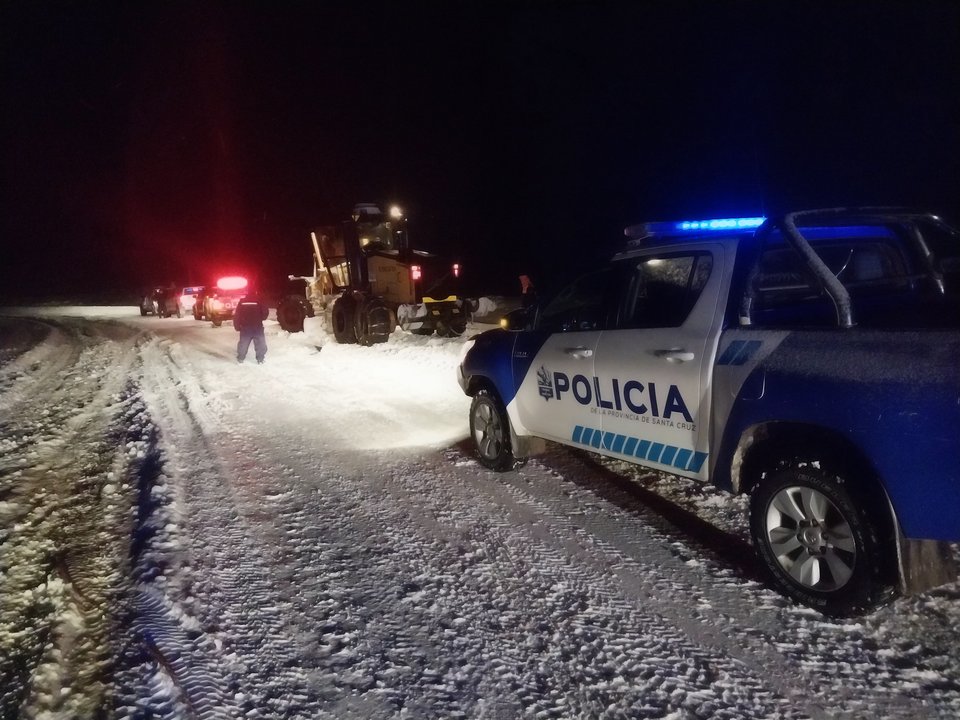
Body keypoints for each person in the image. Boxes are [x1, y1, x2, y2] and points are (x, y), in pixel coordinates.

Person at [235, 289, 270, 364]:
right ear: (256, 292)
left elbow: (237, 314)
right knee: (260, 343)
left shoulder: (242, 301)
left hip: (245, 326)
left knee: (243, 343)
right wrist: (260, 318)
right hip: (257, 326)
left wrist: (237, 325)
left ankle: (240, 359)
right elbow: (265, 312)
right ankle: (260, 359)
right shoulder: (259, 300)